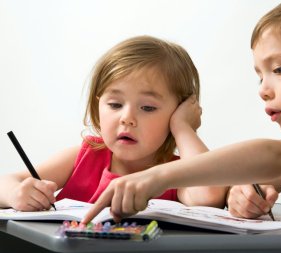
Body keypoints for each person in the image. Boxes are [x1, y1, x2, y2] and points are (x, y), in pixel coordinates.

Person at [82, 0, 281, 224]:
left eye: (278, 69)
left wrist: (156, 177)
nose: (263, 89)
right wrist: (244, 194)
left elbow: (274, 158)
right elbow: (250, 179)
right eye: (259, 76)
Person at [0, 35, 228, 214]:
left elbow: (208, 195)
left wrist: (183, 128)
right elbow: (5, 182)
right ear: (98, 105)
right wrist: (15, 193)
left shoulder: (176, 174)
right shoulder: (82, 157)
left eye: (147, 107)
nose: (126, 118)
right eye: (115, 104)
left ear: (177, 112)